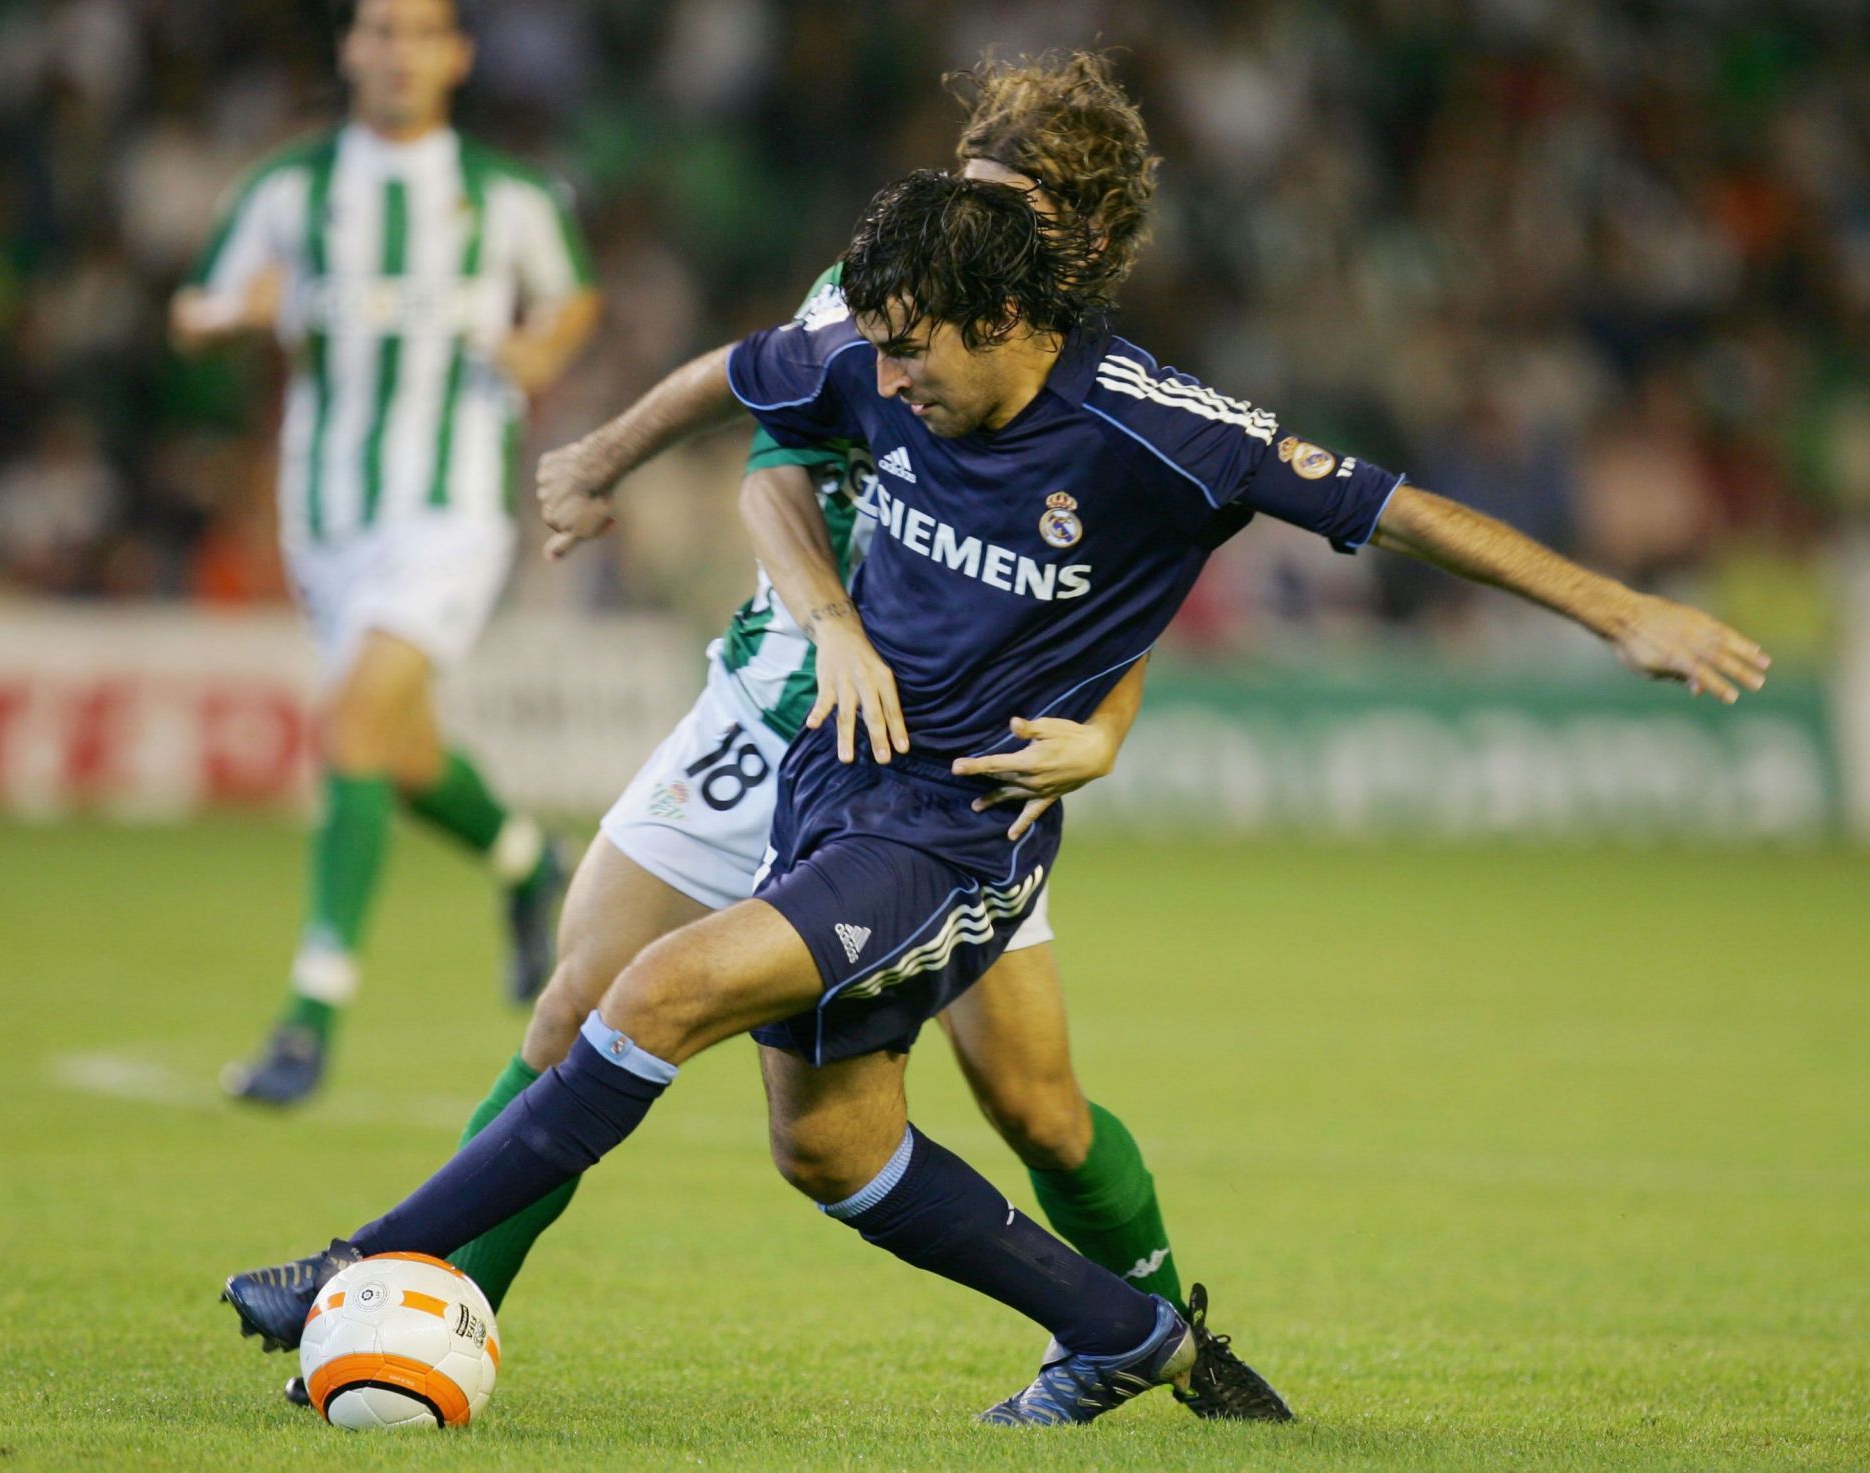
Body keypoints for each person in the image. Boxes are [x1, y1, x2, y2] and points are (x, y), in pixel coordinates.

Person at [225, 172, 1768, 1428]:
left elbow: (1397, 509)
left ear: (1015, 316)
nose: (885, 385)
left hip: (952, 835)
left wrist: (1620, 610)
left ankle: (371, 1256)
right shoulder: (884, 354)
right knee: (829, 1148)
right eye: (879, 351)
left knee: (649, 990)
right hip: (823, 794)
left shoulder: (1161, 433)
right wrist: (618, 465)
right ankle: (1129, 1333)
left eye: (915, 357)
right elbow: (761, 403)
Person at [272, 51, 1287, 1423]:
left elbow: (1115, 600)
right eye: (970, 183)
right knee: (582, 1001)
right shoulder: (889, 288)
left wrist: (1104, 733)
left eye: (1015, 202)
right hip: (769, 714)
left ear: (1083, 237)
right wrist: (827, 621)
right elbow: (770, 459)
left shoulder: (1099, 387)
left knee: (1037, 1106)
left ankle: (1157, 1342)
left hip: (949, 781)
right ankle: (405, 1295)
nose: (973, 214)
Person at [171, 0, 600, 1104]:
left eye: (419, 31)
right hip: (327, 521)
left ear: (455, 56)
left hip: (450, 511)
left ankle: (308, 1018)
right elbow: (196, 306)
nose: (397, 51)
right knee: (396, 754)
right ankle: (524, 858)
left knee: (351, 727)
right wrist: (230, 318)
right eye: (377, 29)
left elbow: (570, 301)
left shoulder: (505, 193)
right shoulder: (289, 187)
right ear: (350, 49)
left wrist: (535, 344)